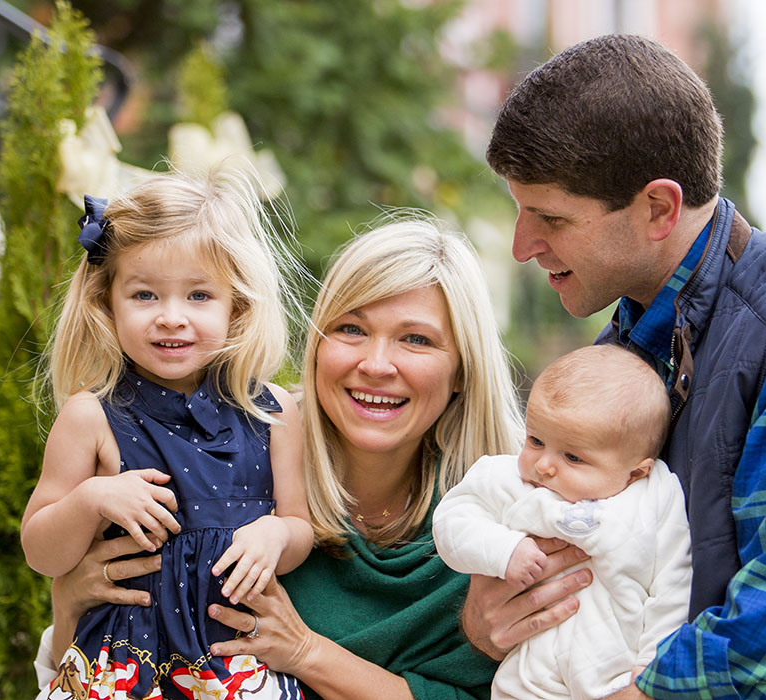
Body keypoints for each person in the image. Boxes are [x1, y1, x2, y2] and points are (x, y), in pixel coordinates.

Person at [463, 33, 766, 700]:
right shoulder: (623, 353)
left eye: (550, 217)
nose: (524, 245)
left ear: (659, 208)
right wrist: (486, 620)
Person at [34, 215, 526, 700]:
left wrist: (307, 653)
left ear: (464, 367)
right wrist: (68, 601)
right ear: (316, 346)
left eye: (416, 339)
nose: (376, 364)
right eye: (351, 328)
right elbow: (76, 657)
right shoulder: (244, 447)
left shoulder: (504, 526)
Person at [22, 167, 315, 699]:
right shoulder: (91, 417)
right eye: (145, 295)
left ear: (237, 305)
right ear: (106, 303)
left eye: (199, 296)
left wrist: (277, 535)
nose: (171, 317)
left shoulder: (271, 412)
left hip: (232, 664)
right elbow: (42, 553)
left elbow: (298, 525)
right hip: (120, 667)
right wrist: (92, 498)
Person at [433, 344, 691, 700]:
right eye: (536, 440)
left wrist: (654, 665)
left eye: (573, 457)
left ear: (635, 471)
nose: (544, 466)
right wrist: (505, 550)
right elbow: (452, 521)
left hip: (618, 678)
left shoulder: (656, 498)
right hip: (529, 680)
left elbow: (674, 586)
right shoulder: (508, 479)